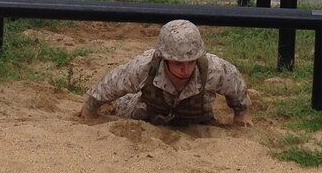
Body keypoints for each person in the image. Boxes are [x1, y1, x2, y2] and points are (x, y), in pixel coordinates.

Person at [79, 20, 252, 127]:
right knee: (126, 106)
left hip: (195, 121)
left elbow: (235, 84)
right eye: (178, 63)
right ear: (165, 59)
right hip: (147, 115)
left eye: (191, 62)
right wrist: (90, 107)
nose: (185, 69)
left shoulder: (214, 69)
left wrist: (241, 112)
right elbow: (114, 81)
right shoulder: (146, 66)